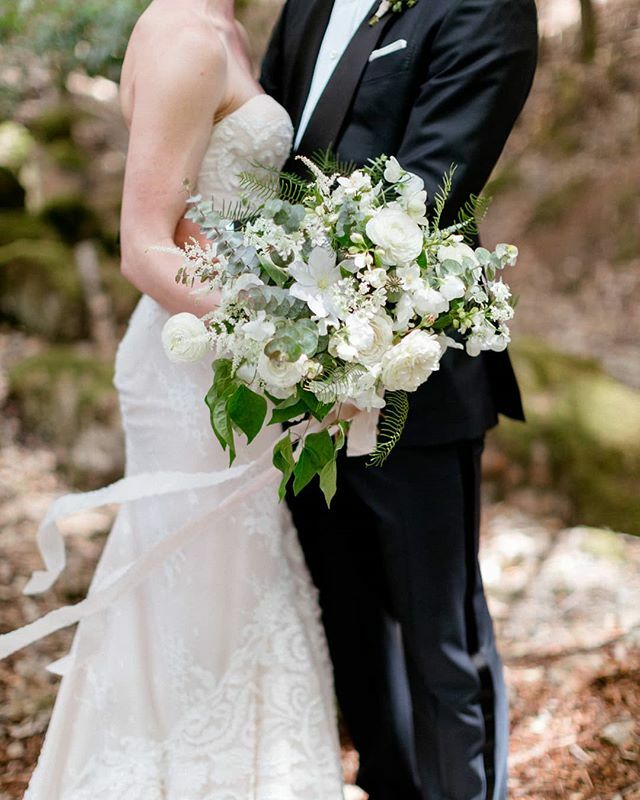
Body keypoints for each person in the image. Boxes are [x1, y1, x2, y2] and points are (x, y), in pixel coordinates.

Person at [1, 1, 344, 797]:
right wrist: (289, 336)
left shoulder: (227, 26)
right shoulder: (186, 35)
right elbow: (145, 243)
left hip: (231, 363)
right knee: (198, 592)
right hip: (197, 372)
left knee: (235, 584)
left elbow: (215, 211)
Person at [261, 1, 538, 798]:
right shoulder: (309, 2)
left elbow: (429, 188)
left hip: (413, 374)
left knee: (439, 643)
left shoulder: (485, 10)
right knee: (348, 621)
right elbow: (270, 148)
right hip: (283, 376)